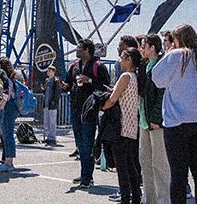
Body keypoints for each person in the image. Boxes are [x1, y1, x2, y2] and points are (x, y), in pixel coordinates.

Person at [151, 24, 197, 204]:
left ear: (177, 40)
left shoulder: (176, 55)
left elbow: (157, 79)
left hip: (177, 123)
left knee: (179, 175)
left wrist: (169, 52)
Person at [61, 38, 111, 188]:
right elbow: (69, 84)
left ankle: (86, 178)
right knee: (80, 144)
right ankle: (86, 174)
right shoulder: (74, 66)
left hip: (90, 109)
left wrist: (89, 80)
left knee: (87, 143)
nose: (76, 50)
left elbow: (105, 87)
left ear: (87, 51)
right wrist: (64, 86)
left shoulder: (98, 66)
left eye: (79, 48)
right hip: (76, 108)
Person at [102, 47, 143, 204]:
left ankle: (126, 197)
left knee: (122, 166)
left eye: (122, 57)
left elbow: (113, 99)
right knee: (131, 164)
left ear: (129, 60)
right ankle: (136, 196)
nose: (119, 60)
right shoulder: (135, 77)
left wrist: (102, 107)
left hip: (120, 125)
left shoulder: (125, 76)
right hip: (131, 126)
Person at [138, 34, 170, 204]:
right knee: (145, 161)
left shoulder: (160, 65)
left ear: (152, 48)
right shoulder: (144, 65)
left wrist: (157, 118)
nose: (141, 49)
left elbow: (161, 94)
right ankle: (149, 198)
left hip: (155, 122)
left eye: (144, 46)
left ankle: (163, 199)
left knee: (159, 163)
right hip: (144, 120)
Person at [0, 57, 20, 172]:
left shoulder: (6, 81)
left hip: (7, 106)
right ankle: (8, 160)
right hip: (11, 107)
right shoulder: (11, 79)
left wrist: (1, 107)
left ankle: (9, 162)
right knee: (6, 134)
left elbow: (6, 95)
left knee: (7, 134)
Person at [42, 65, 60, 146]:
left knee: (52, 121)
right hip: (46, 103)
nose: (48, 72)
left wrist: (54, 102)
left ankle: (52, 138)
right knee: (47, 121)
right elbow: (45, 92)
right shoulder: (46, 80)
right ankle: (48, 137)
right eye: (47, 71)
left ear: (53, 71)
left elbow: (57, 93)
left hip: (52, 104)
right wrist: (43, 89)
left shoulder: (56, 80)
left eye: (49, 71)